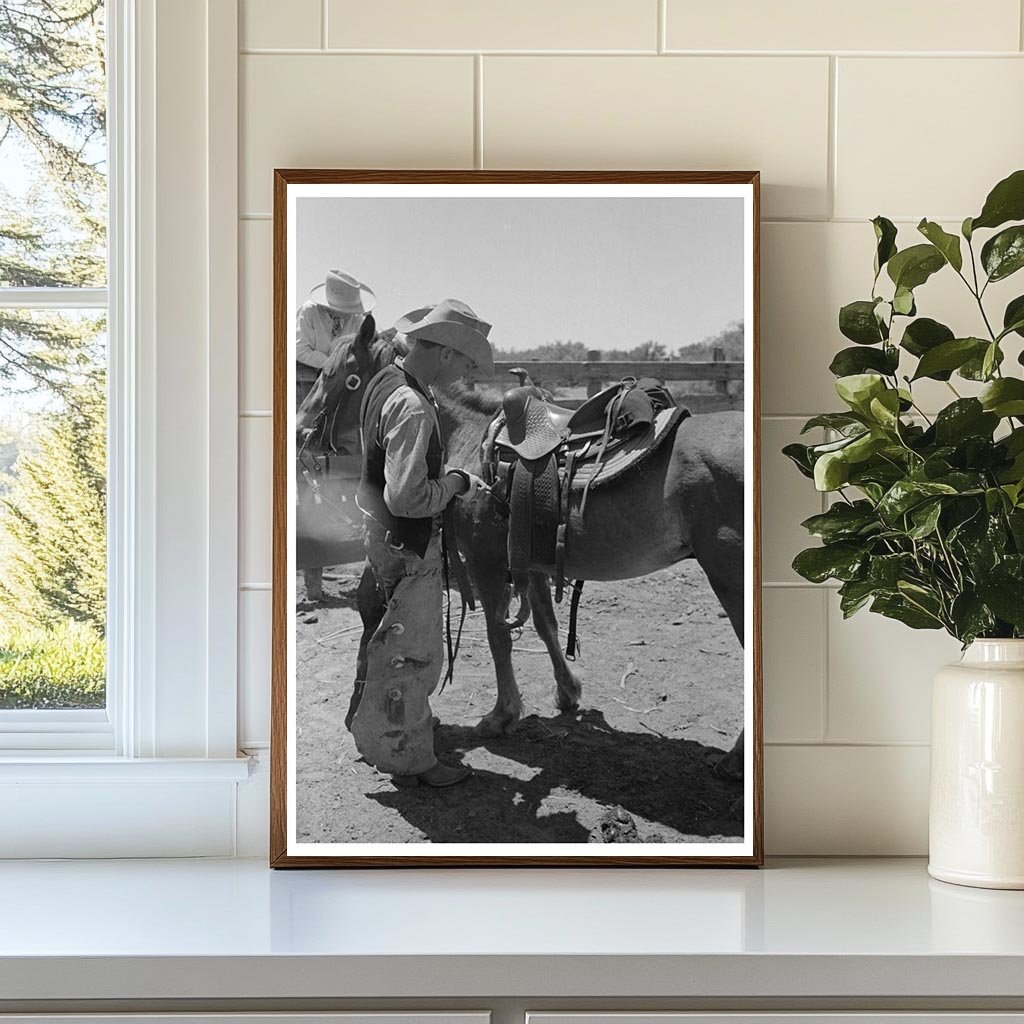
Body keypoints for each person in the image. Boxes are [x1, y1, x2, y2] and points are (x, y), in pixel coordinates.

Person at [350, 298, 492, 789]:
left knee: (388, 640)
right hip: (408, 545)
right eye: (464, 360)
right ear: (446, 354)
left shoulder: (384, 383)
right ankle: (413, 759)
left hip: (380, 537)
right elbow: (410, 498)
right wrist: (456, 483)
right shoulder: (414, 406)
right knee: (412, 654)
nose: (465, 371)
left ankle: (379, 729)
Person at [296, 270, 376, 603]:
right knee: (304, 468)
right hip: (311, 385)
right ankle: (313, 579)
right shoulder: (308, 313)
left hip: (347, 389)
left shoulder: (360, 317)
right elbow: (300, 349)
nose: (345, 318)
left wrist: (345, 367)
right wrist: (335, 364)